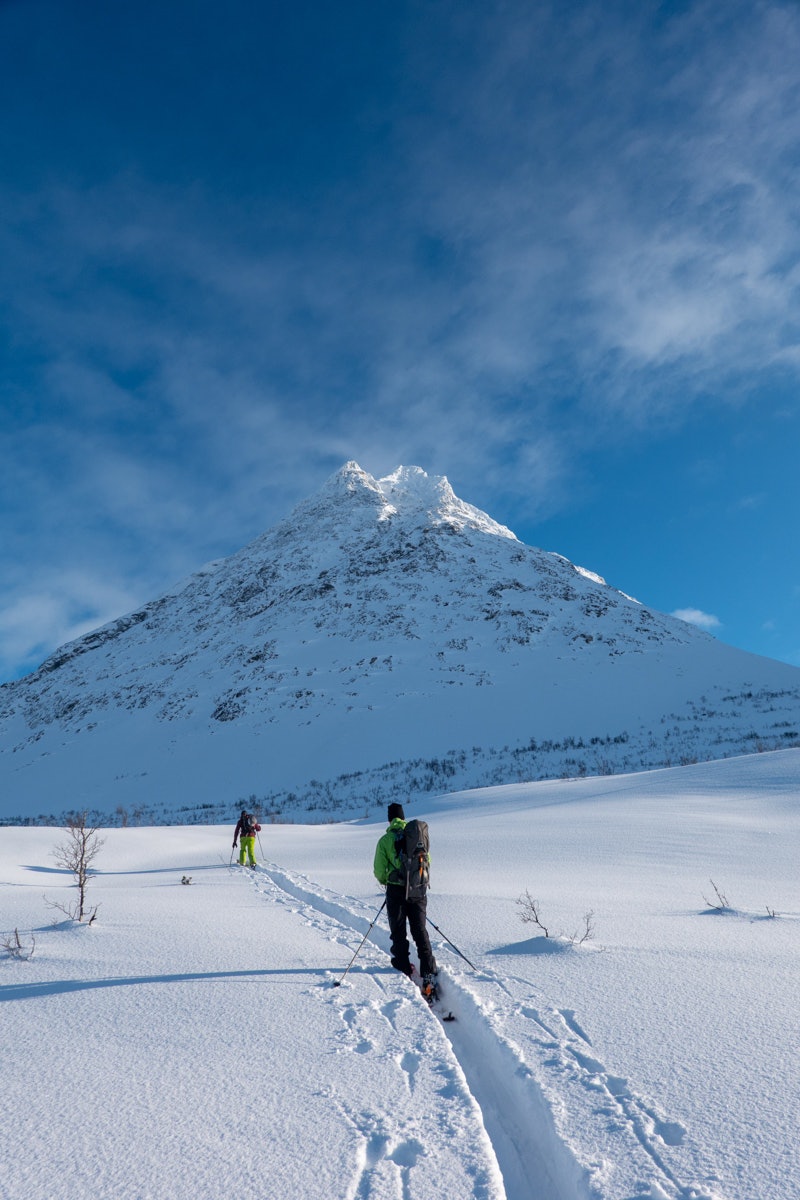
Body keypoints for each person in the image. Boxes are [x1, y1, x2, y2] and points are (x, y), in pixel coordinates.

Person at [373, 802, 437, 988]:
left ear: (389, 818)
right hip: (418, 890)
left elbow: (378, 870)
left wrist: (388, 880)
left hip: (396, 891)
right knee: (420, 930)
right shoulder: (417, 836)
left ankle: (403, 966)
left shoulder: (385, 840)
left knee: (398, 931)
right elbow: (428, 860)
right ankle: (429, 970)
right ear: (403, 817)